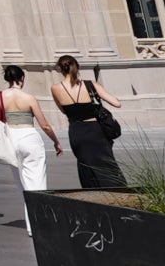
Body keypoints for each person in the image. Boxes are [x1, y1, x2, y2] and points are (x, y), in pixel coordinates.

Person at [0, 65, 59, 232]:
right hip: (29, 137)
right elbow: (44, 124)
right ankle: (37, 224)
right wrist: (56, 141)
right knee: (36, 182)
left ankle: (32, 224)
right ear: (21, 78)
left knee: (22, 184)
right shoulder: (28, 97)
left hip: (10, 140)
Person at [50, 55, 124, 190]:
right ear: (76, 67)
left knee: (85, 164)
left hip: (76, 131)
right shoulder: (90, 85)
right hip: (95, 130)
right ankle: (117, 192)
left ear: (60, 69)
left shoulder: (55, 88)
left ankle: (91, 192)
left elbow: (63, 110)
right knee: (106, 164)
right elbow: (117, 103)